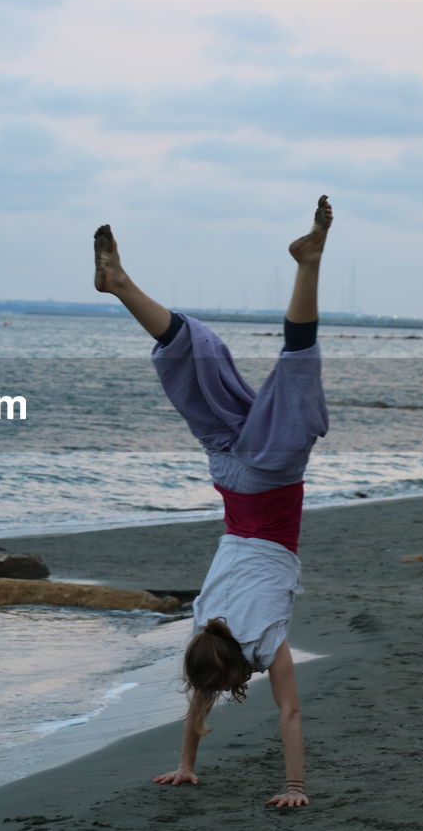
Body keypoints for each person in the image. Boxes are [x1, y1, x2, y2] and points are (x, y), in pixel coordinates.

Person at [92, 195, 332, 808]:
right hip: (226, 470)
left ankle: (311, 262)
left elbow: (292, 715)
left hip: (268, 477)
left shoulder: (260, 642)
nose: (214, 695)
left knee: (296, 370)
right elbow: (199, 696)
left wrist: (296, 787)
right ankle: (119, 284)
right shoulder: (206, 630)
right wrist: (184, 764)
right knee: (201, 360)